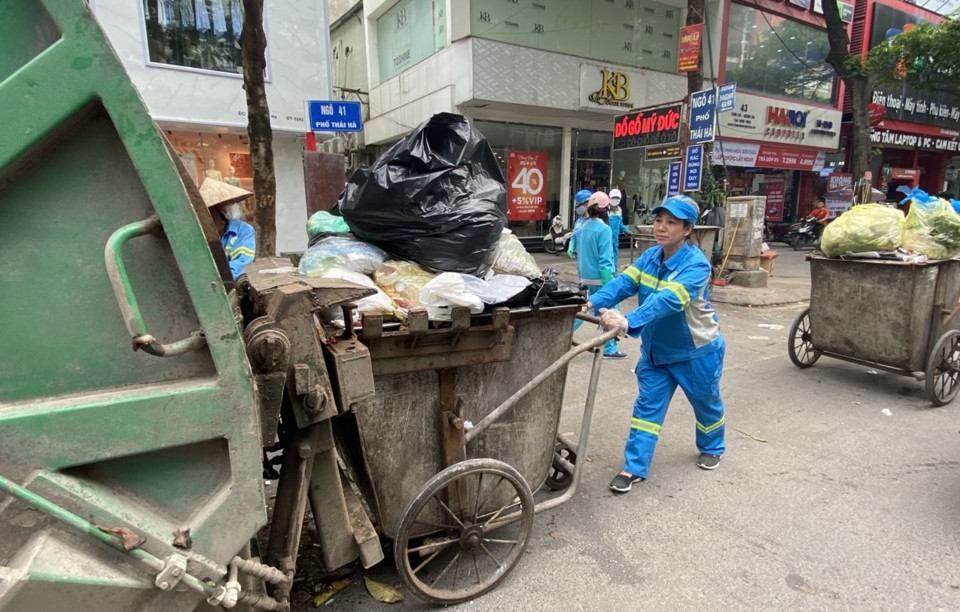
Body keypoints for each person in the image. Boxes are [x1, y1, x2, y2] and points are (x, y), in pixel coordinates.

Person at [586, 194, 726, 493]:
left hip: (696, 352)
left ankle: (713, 445)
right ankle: (633, 468)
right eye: (658, 220)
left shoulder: (697, 266)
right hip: (656, 352)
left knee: (705, 402)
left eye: (671, 222)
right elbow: (622, 284)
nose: (661, 227)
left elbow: (669, 301)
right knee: (647, 411)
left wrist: (628, 321)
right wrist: (588, 303)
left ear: (687, 229)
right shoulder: (650, 256)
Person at [576, 191, 625, 359]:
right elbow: (605, 260)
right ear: (606, 210)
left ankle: (562, 335)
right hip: (601, 277)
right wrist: (608, 284)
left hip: (586, 276)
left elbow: (581, 254)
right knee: (610, 312)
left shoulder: (583, 227)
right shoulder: (604, 229)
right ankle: (610, 348)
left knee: (585, 310)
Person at [200, 178, 256, 279]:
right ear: (212, 209)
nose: (234, 205)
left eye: (233, 202)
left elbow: (242, 263)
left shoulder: (243, 230)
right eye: (228, 203)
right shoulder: (199, 233)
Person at [607, 188, 631, 267]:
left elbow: (620, 223)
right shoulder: (605, 210)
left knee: (614, 258)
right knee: (606, 258)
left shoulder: (619, 210)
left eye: (617, 198)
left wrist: (626, 231)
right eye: (613, 198)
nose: (615, 200)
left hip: (615, 239)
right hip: (606, 239)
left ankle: (614, 275)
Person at [567, 189, 593, 258]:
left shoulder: (594, 221)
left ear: (587, 203)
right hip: (580, 257)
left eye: (579, 204)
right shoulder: (578, 221)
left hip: (591, 257)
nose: (577, 207)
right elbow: (574, 236)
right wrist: (571, 246)